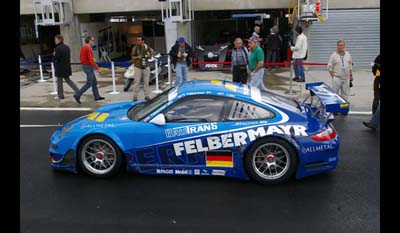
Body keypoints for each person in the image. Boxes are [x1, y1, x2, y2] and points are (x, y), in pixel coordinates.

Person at [74, 36, 105, 104]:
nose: (93, 41)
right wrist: (97, 68)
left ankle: (96, 96)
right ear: (89, 40)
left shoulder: (84, 47)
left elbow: (82, 57)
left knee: (94, 82)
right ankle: (77, 94)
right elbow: (91, 59)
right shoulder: (88, 48)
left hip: (86, 65)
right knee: (89, 83)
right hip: (88, 66)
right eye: (92, 40)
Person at [53, 34, 79, 100]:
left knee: (59, 81)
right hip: (67, 66)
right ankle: (78, 91)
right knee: (68, 80)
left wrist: (54, 55)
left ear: (59, 40)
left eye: (56, 40)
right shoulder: (67, 47)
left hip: (60, 67)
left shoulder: (58, 48)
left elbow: (56, 58)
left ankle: (60, 95)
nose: (55, 41)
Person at [131, 35, 153, 101]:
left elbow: (150, 56)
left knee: (146, 82)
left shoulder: (147, 47)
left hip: (146, 66)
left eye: (139, 40)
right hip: (138, 67)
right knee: (136, 82)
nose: (137, 41)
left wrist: (150, 55)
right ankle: (135, 96)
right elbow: (132, 57)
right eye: (137, 40)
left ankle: (147, 96)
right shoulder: (135, 48)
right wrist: (138, 57)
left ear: (143, 41)